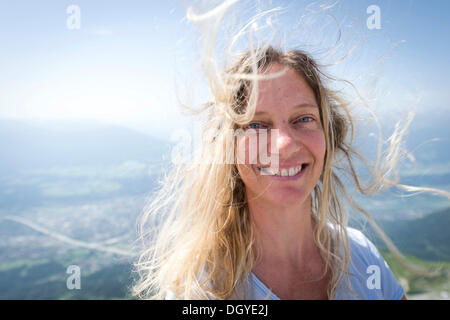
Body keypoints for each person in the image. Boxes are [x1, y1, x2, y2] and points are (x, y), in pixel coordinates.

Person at [132, 45, 409, 300]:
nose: (285, 145)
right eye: (256, 125)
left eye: (304, 119)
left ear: (327, 135)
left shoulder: (363, 259)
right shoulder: (200, 289)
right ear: (229, 147)